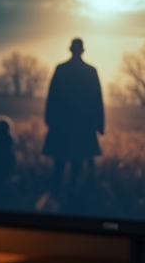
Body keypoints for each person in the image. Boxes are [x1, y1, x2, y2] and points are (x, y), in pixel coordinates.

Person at [42, 38, 104, 192]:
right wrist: (100, 124)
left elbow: (52, 96)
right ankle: (72, 192)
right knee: (78, 160)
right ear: (83, 50)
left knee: (60, 160)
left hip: (62, 123)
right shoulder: (91, 71)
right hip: (83, 124)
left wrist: (49, 118)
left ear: (70, 49)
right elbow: (97, 99)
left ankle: (56, 191)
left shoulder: (61, 69)